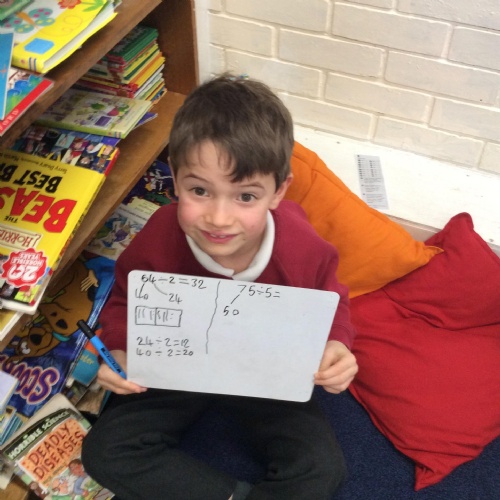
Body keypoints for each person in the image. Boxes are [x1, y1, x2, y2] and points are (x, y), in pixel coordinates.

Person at [81, 74, 358, 500]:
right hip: (177, 363)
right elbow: (125, 299)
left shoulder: (303, 247)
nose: (219, 218)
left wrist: (336, 344)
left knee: (321, 469)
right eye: (200, 191)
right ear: (175, 180)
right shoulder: (159, 236)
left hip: (264, 370)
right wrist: (118, 349)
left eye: (245, 197)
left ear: (278, 192)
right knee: (103, 452)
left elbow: (331, 300)